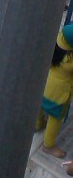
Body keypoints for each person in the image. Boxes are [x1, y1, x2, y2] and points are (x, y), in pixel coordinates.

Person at [36, 24, 73, 159]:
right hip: (60, 94)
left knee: (40, 107)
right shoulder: (69, 62)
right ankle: (48, 145)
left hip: (46, 84)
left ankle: (37, 124)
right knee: (55, 118)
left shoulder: (56, 43)